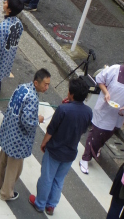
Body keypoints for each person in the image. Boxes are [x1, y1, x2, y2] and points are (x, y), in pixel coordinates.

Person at [29, 76, 92, 214]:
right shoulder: (88, 112)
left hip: (55, 149)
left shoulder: (63, 109)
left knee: (47, 177)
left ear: (72, 94)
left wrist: (44, 142)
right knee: (59, 180)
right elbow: (83, 129)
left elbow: (51, 129)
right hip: (70, 152)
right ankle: (51, 205)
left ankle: (40, 203)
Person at [80, 49, 124, 174]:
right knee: (95, 132)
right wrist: (106, 92)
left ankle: (97, 147)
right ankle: (85, 158)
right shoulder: (114, 70)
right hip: (105, 107)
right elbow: (100, 80)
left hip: (119, 112)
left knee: (108, 133)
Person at [0, 69, 50, 202]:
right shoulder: (33, 98)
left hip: (9, 131)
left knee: (2, 160)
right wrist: (38, 119)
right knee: (14, 168)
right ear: (36, 83)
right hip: (19, 138)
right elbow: (28, 122)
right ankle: (6, 193)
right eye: (45, 84)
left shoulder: (22, 87)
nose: (47, 87)